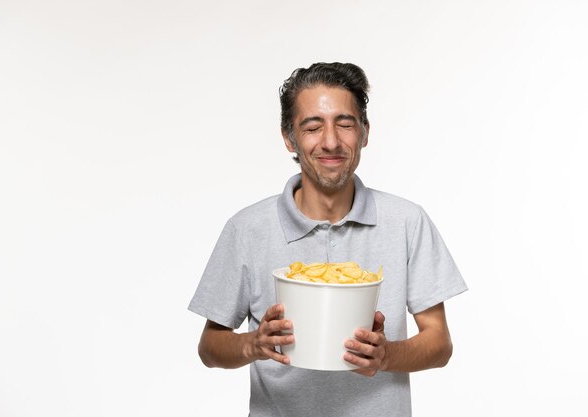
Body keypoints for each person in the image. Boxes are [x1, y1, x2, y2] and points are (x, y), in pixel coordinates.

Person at [188, 62, 467, 417]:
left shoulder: (407, 222)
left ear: (365, 132)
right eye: (313, 126)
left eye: (345, 123)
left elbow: (439, 343)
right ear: (289, 137)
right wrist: (253, 344)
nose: (331, 141)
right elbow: (209, 347)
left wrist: (385, 355)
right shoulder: (247, 229)